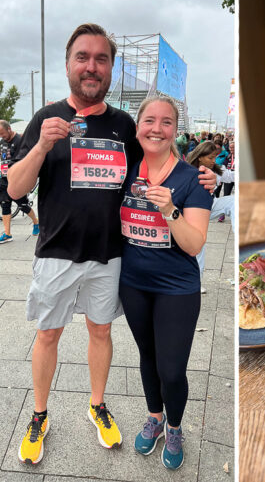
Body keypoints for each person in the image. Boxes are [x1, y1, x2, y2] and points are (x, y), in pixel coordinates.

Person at [7, 23, 216, 466]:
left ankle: (97, 405)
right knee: (47, 335)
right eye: (82, 57)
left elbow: (161, 159)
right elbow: (13, 189)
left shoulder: (124, 124)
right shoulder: (46, 120)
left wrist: (204, 177)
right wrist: (42, 146)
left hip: (110, 255)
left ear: (111, 68)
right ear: (68, 64)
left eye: (101, 59)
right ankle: (40, 413)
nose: (91, 66)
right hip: (57, 252)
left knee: (100, 331)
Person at [119, 96, 211, 470]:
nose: (157, 128)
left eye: (167, 122)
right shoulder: (126, 169)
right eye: (150, 120)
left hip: (177, 287)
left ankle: (175, 427)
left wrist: (170, 210)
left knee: (172, 369)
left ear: (176, 130)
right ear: (138, 126)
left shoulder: (195, 179)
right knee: (147, 356)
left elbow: (194, 244)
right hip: (133, 282)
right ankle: (155, 418)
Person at [186, 140, 235, 285]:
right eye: (210, 158)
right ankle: (196, 283)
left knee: (234, 201)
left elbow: (232, 176)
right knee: (198, 246)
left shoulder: (216, 170)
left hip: (211, 206)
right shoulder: (187, 170)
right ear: (200, 156)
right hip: (193, 212)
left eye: (215, 157)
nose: (214, 161)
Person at [0, 120, 40, 242]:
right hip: (4, 179)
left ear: (9, 129)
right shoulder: (2, 142)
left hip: (17, 180)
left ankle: (36, 222)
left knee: (22, 205)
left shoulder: (20, 141)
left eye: (3, 133)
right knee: (4, 204)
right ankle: (7, 234)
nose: (2, 136)